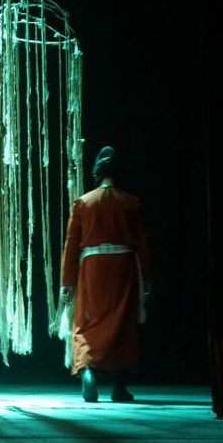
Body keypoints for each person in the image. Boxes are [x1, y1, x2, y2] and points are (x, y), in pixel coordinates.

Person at [60, 146, 151, 403]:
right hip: (123, 268)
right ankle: (119, 386)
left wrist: (67, 282)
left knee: (87, 321)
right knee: (122, 323)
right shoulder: (130, 202)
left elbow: (71, 245)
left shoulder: (83, 203)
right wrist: (146, 278)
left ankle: (87, 369)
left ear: (97, 174)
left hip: (93, 268)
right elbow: (143, 242)